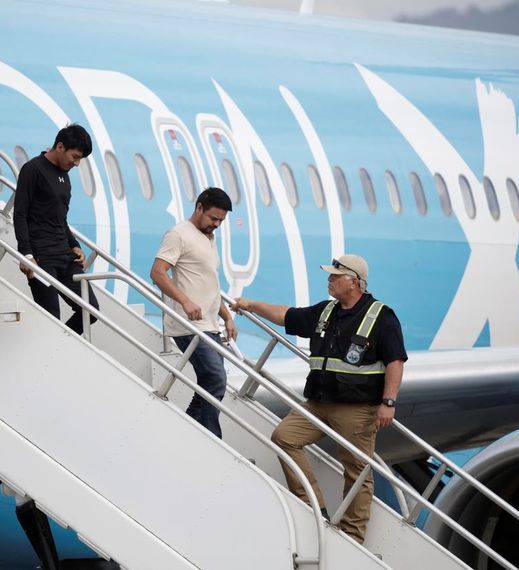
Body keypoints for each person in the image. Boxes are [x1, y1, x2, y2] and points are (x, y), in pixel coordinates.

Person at [232, 254, 406, 544]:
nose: (330, 280)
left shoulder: (381, 317)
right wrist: (252, 305)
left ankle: (352, 536)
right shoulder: (326, 311)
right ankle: (316, 507)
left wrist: (388, 402)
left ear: (354, 282)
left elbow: (395, 361)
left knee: (357, 470)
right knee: (284, 437)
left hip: (357, 409)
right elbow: (286, 315)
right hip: (319, 403)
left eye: (335, 276)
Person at [150, 187, 236, 439]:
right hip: (189, 325)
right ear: (199, 207)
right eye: (213, 218)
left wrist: (227, 317)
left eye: (221, 220)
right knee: (216, 380)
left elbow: (209, 285)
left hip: (210, 325)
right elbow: (157, 272)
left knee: (211, 384)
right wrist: (185, 301)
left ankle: (187, 431)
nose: (217, 224)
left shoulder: (208, 237)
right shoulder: (178, 234)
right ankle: (211, 439)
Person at [13, 124, 99, 334]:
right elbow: (20, 213)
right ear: (60, 146)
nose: (77, 164)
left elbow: (60, 218)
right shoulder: (33, 169)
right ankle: (55, 350)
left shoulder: (65, 175)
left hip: (65, 255)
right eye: (75, 156)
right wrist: (26, 254)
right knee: (50, 318)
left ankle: (61, 345)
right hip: (42, 259)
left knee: (91, 311)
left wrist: (74, 245)